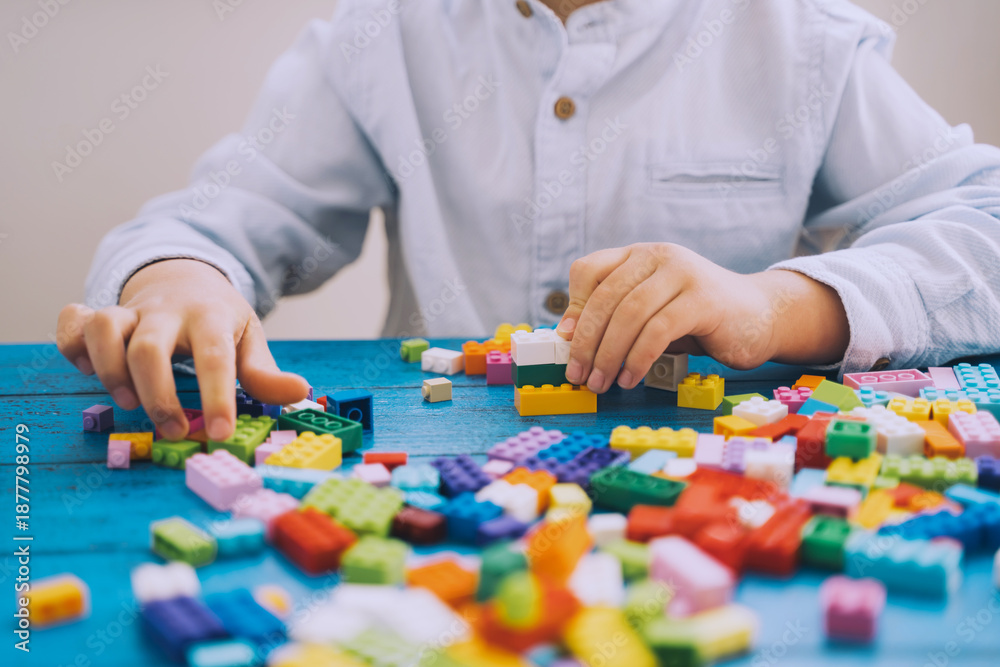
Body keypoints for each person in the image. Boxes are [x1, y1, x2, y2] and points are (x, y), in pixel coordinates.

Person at [57, 0, 1000, 442]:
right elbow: (221, 219)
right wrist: (179, 272)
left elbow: (986, 224)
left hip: (709, 479)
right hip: (424, 475)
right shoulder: (384, 33)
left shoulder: (798, 37)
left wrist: (775, 305)